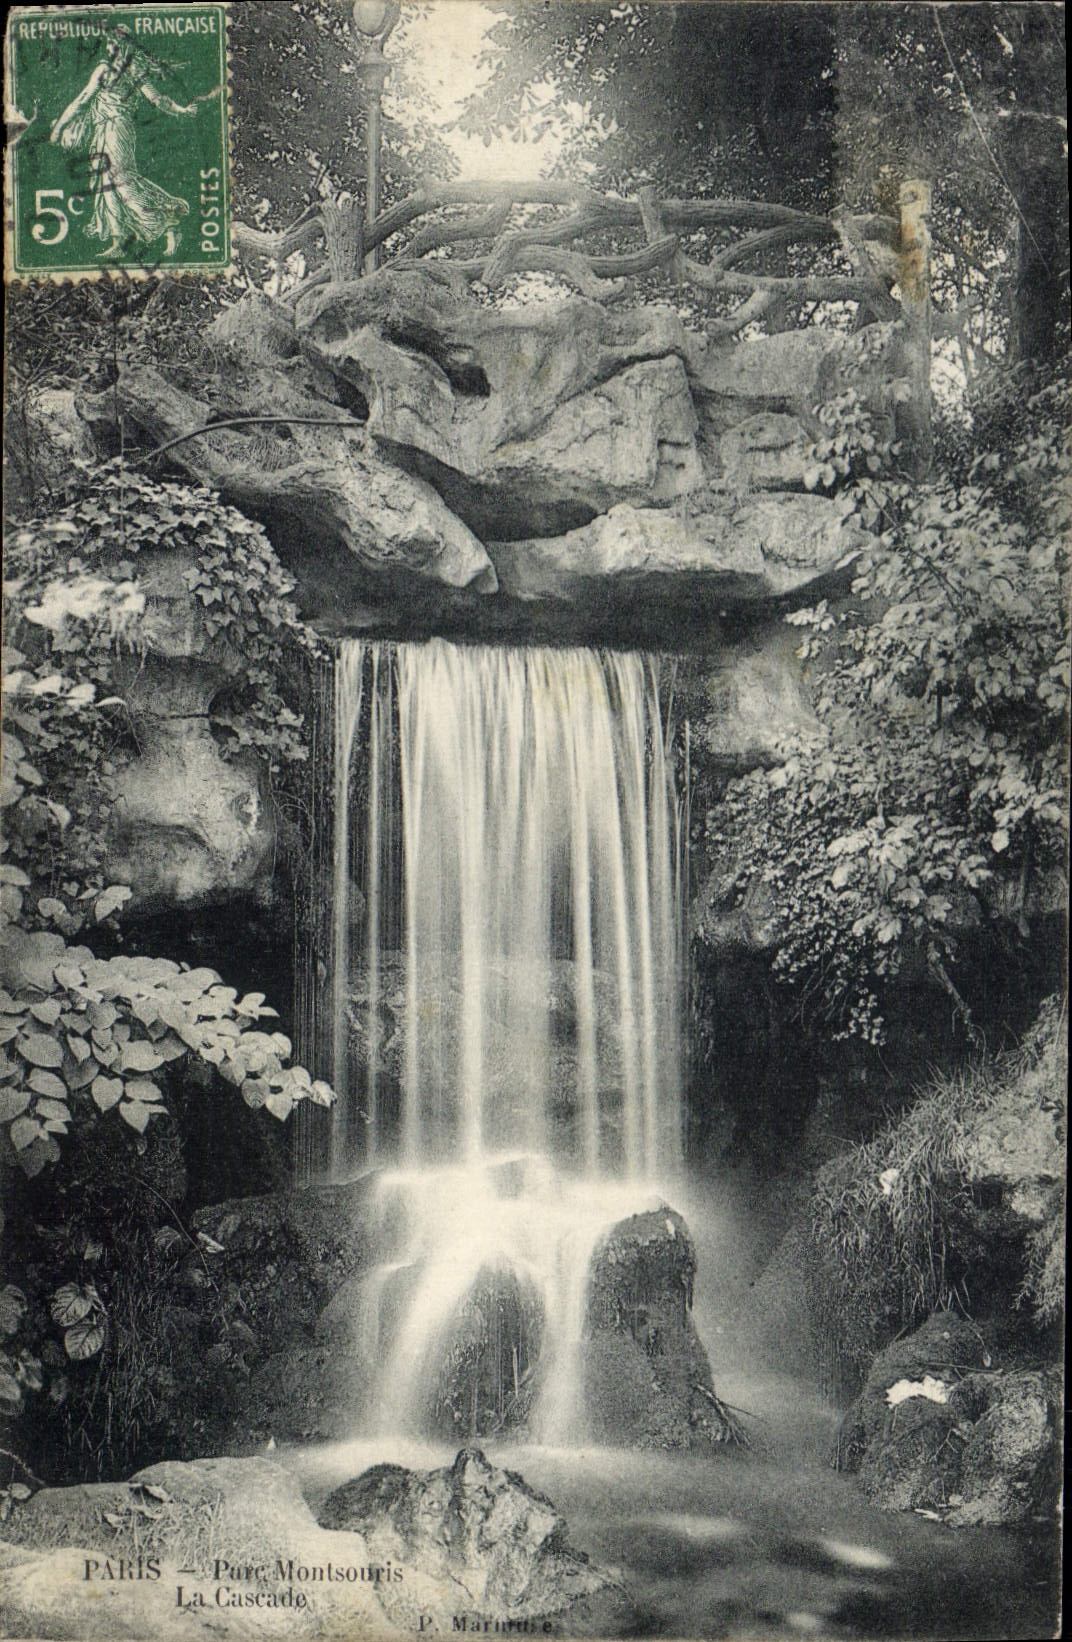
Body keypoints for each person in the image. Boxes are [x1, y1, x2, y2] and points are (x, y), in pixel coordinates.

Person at [50, 28, 215, 258]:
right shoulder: (132, 71)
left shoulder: (108, 70)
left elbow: (82, 101)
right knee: (105, 183)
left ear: (123, 46)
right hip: (107, 129)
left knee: (121, 182)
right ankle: (118, 242)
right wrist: (182, 111)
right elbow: (160, 101)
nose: (108, 47)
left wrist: (57, 130)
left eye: (112, 43)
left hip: (115, 130)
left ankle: (167, 222)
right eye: (108, 43)